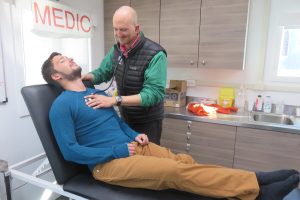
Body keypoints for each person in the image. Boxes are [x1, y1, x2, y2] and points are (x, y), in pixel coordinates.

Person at [42, 52, 300, 200]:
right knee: (174, 172)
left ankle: (250, 180)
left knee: (184, 161)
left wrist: (136, 135)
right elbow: (70, 152)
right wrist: (117, 151)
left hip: (133, 147)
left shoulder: (94, 93)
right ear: (56, 76)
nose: (70, 59)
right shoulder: (62, 106)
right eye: (63, 61)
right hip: (107, 164)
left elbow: (117, 124)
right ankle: (256, 190)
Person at [82, 6, 167, 145]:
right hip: (126, 118)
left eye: (123, 29)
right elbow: (104, 72)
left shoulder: (155, 54)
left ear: (137, 28)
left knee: (147, 162)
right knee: (130, 160)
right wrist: (88, 76)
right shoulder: (116, 50)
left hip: (148, 121)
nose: (118, 34)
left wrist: (115, 100)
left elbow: (153, 94)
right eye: (115, 29)